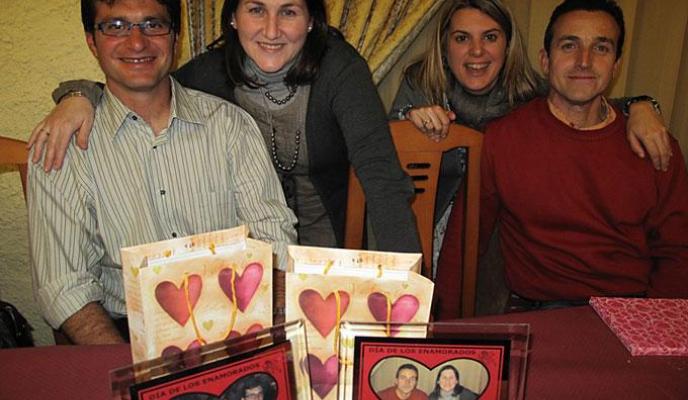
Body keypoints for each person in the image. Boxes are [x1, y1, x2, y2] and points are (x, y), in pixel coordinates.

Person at [28, 0, 421, 254]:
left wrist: (408, 293)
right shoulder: (210, 73)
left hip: (326, 252)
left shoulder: (341, 70)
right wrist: (77, 94)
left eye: (288, 11)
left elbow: (383, 181)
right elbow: (141, 80)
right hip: (247, 266)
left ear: (311, 21)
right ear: (233, 17)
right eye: (256, 9)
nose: (271, 30)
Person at [28, 0, 297, 345]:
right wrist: (129, 368)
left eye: (153, 24)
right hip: (122, 335)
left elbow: (273, 240)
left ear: (175, 37)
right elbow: (64, 286)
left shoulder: (230, 126)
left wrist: (267, 340)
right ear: (91, 40)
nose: (137, 42)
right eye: (116, 26)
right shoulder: (62, 144)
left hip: (234, 325)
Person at [389, 0, 672, 319]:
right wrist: (407, 117)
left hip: (497, 244)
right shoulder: (422, 84)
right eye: (462, 38)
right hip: (425, 222)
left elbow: (581, 93)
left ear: (508, 45)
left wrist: (641, 105)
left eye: (490, 37)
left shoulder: (527, 93)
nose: (477, 51)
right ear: (444, 45)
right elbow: (380, 158)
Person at [480, 0, 688, 311]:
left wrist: (657, 324)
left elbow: (677, 253)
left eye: (601, 48)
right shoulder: (503, 138)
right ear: (545, 60)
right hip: (537, 312)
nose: (584, 61)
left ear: (616, 66)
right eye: (569, 45)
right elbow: (467, 241)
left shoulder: (655, 145)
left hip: (629, 310)